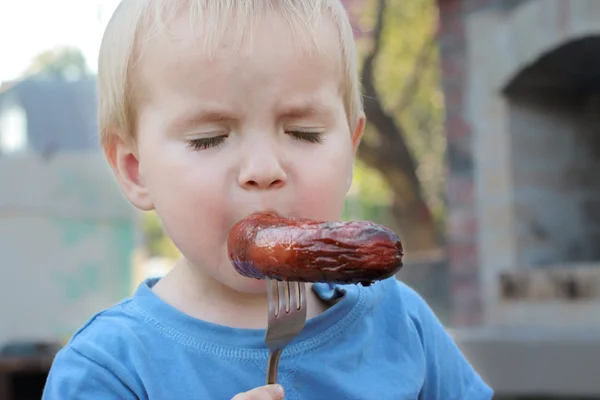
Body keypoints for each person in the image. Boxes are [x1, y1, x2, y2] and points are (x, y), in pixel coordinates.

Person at [42, 0, 494, 398]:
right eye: (209, 138)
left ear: (351, 150)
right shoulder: (108, 371)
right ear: (136, 170)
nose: (263, 170)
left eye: (304, 133)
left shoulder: (401, 322)